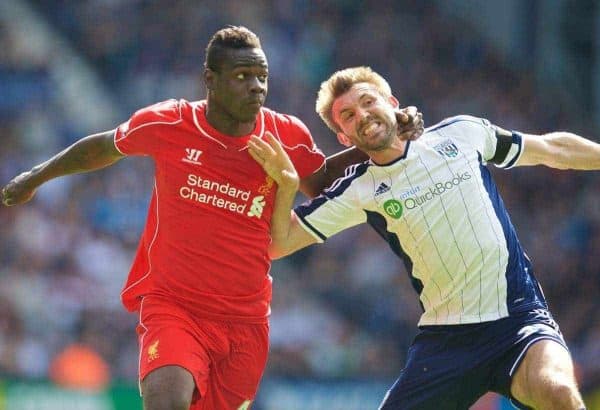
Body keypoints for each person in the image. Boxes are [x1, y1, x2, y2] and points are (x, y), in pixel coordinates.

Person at [1, 29, 423, 409]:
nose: (256, 87)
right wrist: (36, 177)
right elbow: (104, 146)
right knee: (167, 400)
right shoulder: (170, 122)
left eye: (262, 77)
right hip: (175, 306)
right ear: (211, 80)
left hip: (245, 321)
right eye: (242, 76)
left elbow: (324, 182)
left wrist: (384, 134)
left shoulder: (286, 134)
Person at [248, 66, 600, 410]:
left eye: (368, 102)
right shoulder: (358, 189)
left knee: (558, 394)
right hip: (447, 344)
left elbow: (553, 149)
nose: (363, 116)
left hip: (519, 320)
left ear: (392, 101)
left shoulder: (461, 133)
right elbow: (280, 243)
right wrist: (288, 187)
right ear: (344, 138)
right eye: (349, 116)